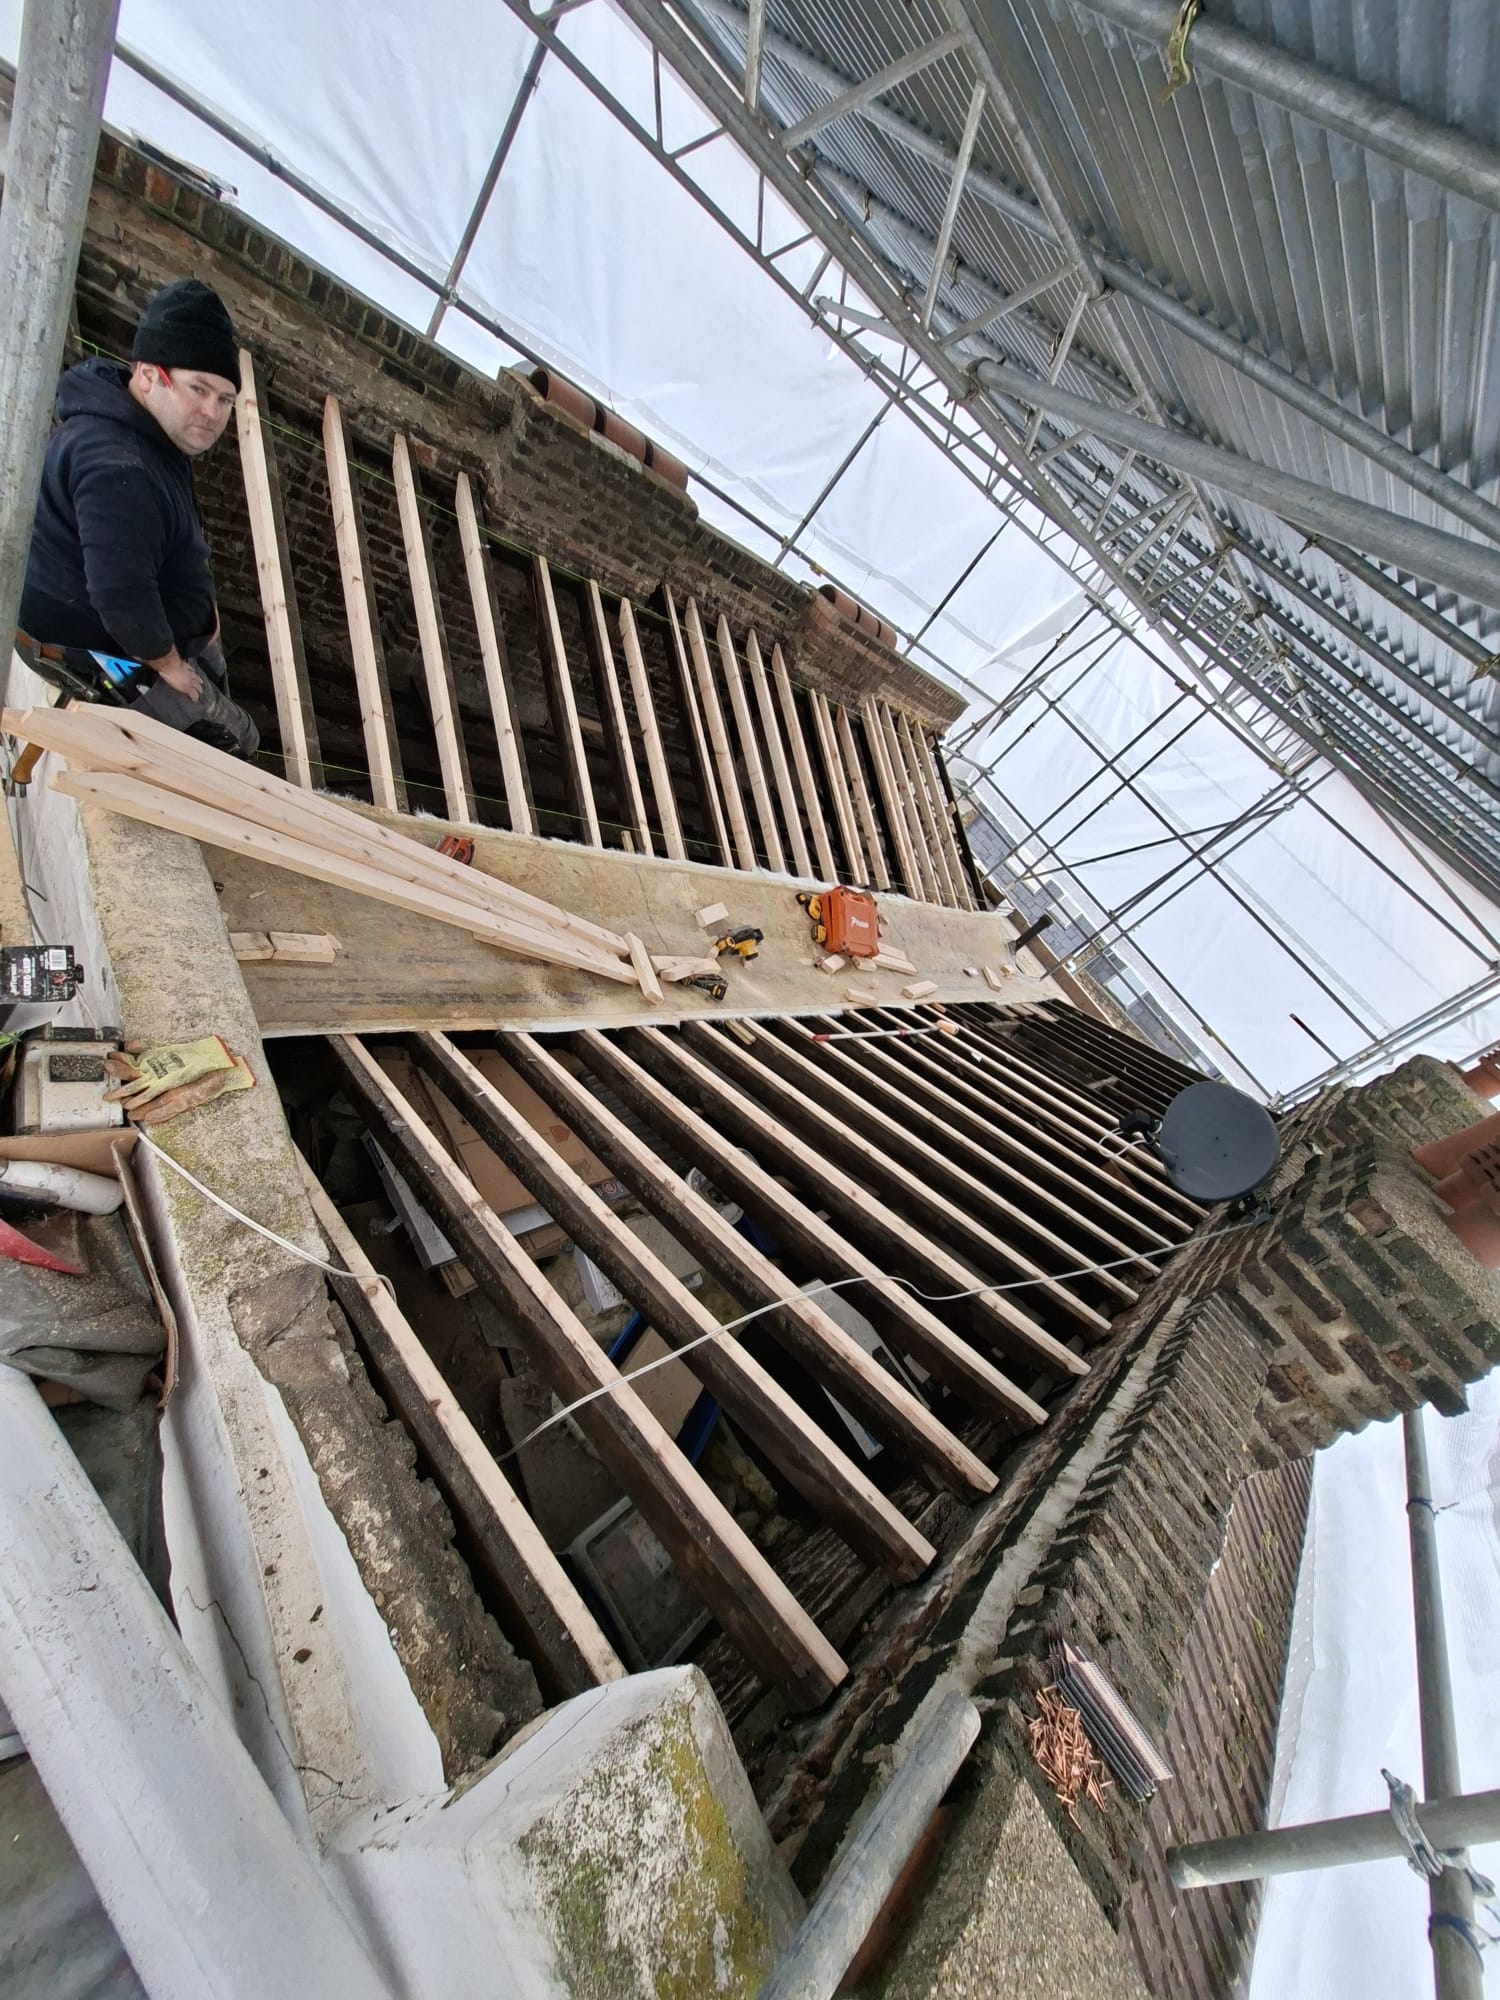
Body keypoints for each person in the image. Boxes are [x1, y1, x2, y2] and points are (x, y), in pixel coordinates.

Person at [18, 277, 259, 756]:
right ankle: (220, 746)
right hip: (113, 645)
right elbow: (122, 599)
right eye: (199, 389)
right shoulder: (119, 468)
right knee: (236, 738)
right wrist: (170, 667)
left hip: (147, 615)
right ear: (149, 375)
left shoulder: (140, 420)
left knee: (212, 674)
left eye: (225, 400)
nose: (212, 413)